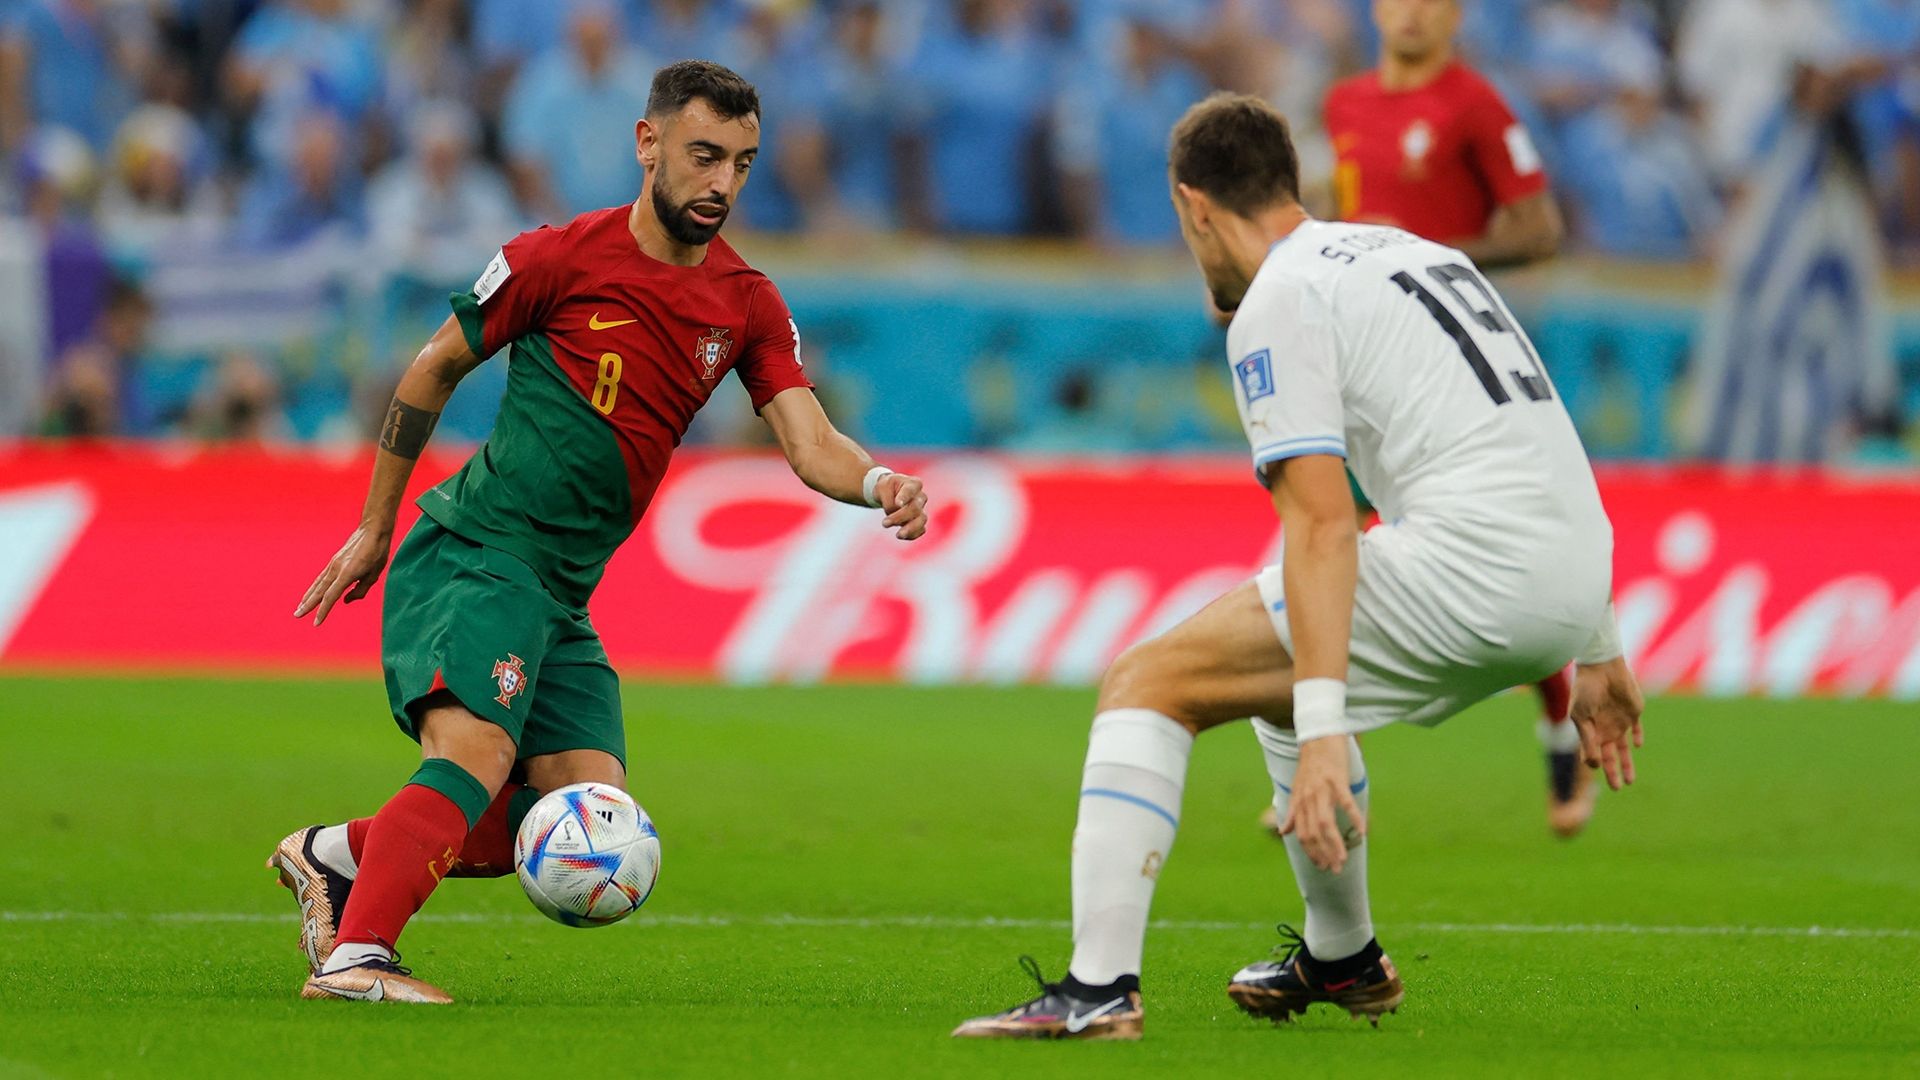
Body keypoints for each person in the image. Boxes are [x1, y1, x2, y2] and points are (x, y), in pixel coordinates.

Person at [953, 93, 1643, 1041]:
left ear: (1194, 207)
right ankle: (1342, 956)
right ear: (1291, 183)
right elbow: (1538, 436)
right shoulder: (1415, 252)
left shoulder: (1279, 298)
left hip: (1476, 573)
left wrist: (1327, 733)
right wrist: (1598, 641)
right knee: (1273, 671)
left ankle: (1097, 988)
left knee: (1148, 682)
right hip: (1570, 576)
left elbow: (1323, 528)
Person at [266, 60, 930, 1004]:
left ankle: (337, 858)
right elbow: (429, 369)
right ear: (647, 142)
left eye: (742, 163)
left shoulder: (745, 301)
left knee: (584, 812)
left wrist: (876, 480)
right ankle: (357, 958)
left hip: (562, 597)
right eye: (704, 156)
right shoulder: (556, 257)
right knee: (474, 760)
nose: (722, 184)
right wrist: (375, 526)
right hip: (481, 553)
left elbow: (807, 437)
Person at [1321, 0, 1592, 835]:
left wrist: (1428, 257)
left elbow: (1540, 229)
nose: (1412, 13)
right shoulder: (1345, 104)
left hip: (1457, 368)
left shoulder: (1476, 104)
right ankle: (1326, 754)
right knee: (1340, 528)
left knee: (1494, 548)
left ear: (1456, 15)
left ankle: (1559, 733)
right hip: (1366, 354)